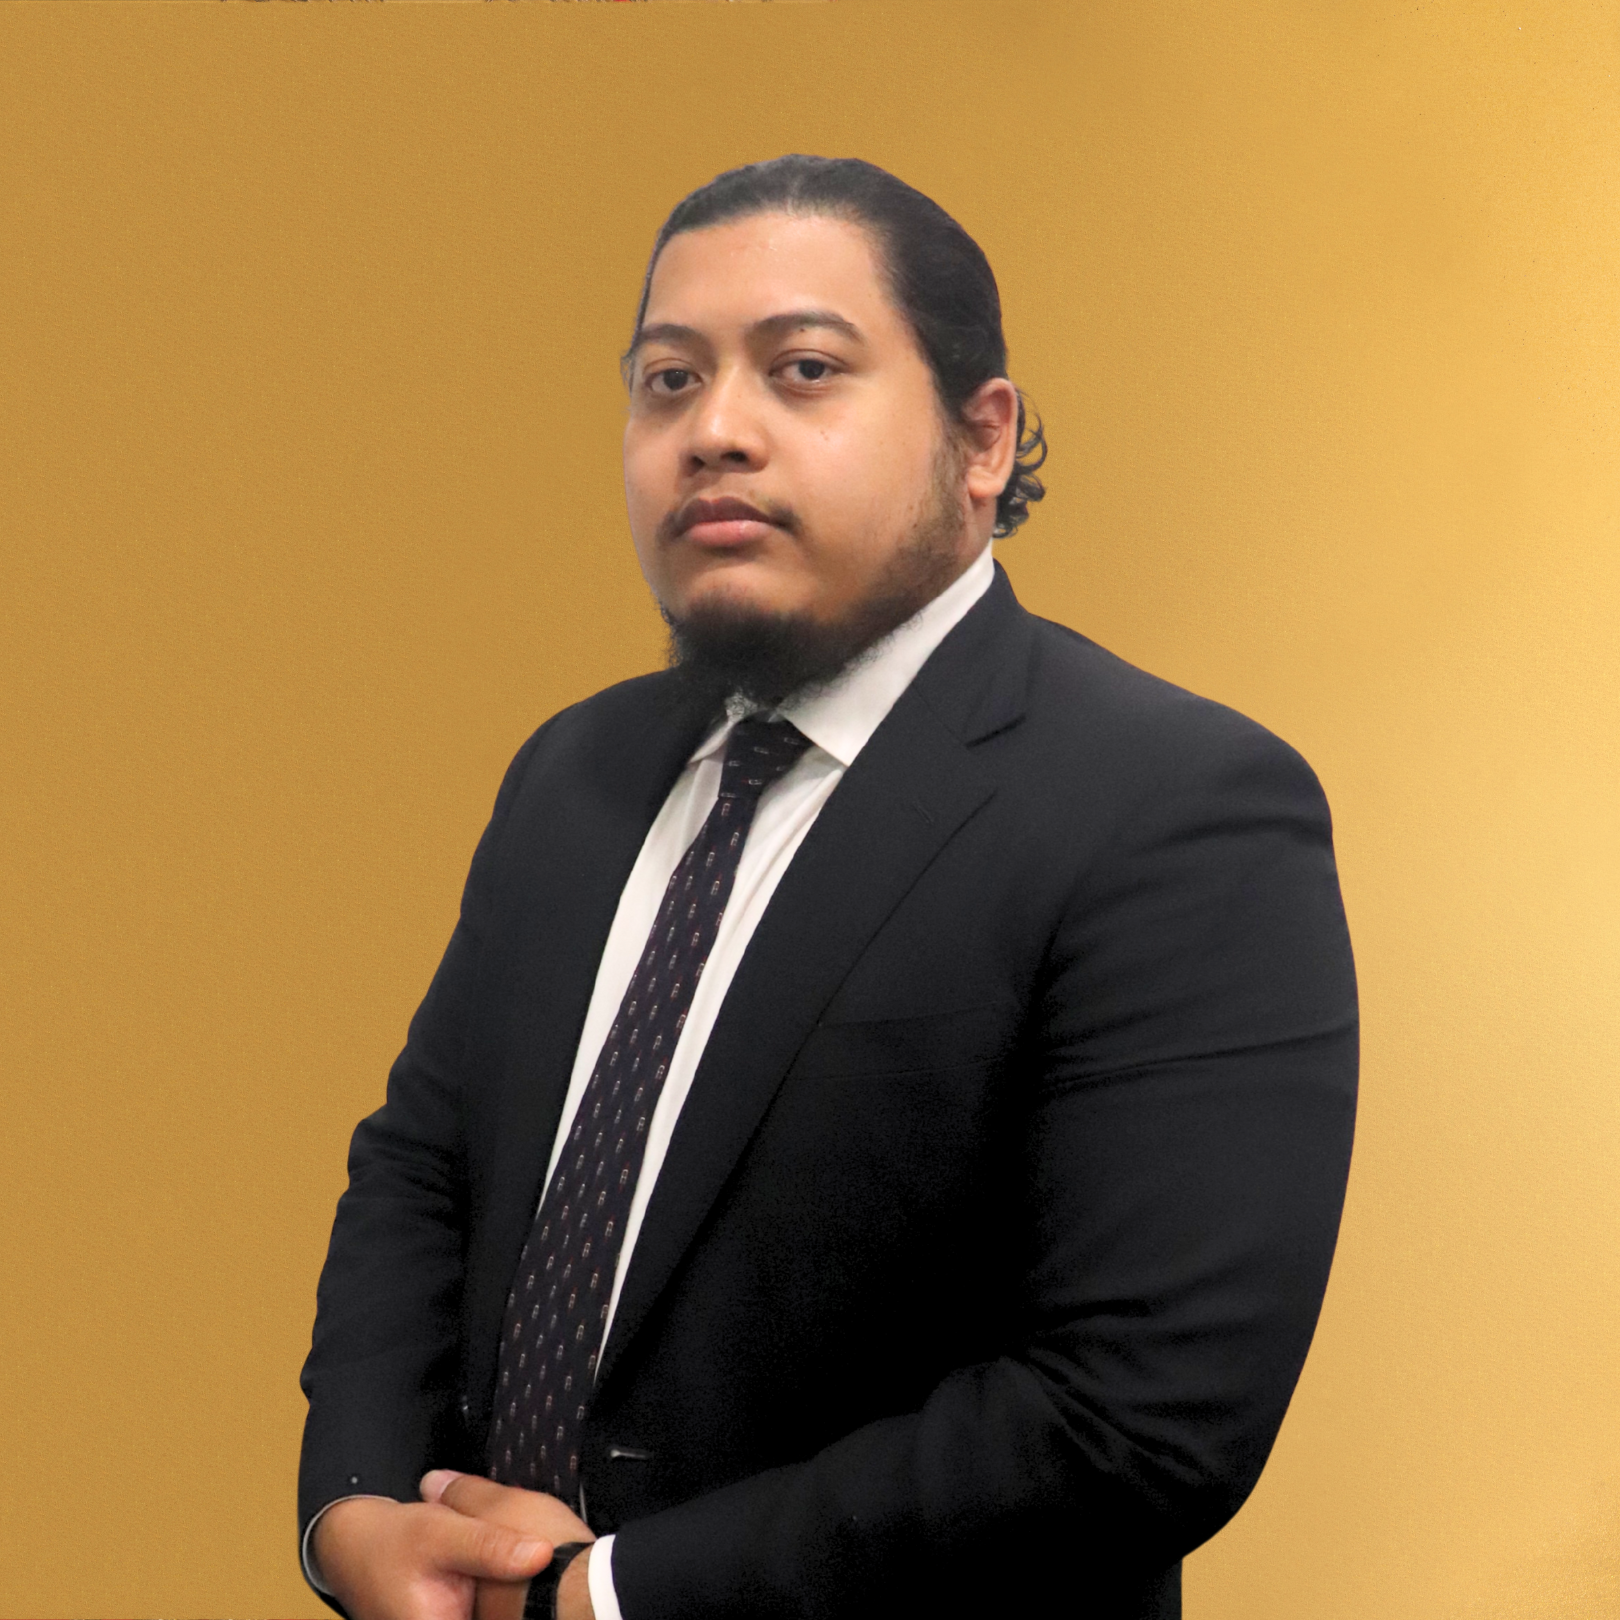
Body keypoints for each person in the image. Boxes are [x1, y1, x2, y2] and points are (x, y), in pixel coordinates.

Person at [298, 154, 1358, 1620]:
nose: (714, 432)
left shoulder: (1176, 809)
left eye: (802, 370)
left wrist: (602, 1597)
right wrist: (352, 1510)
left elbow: (1139, 1416)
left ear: (982, 440)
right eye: (666, 381)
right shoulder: (574, 774)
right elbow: (421, 1169)